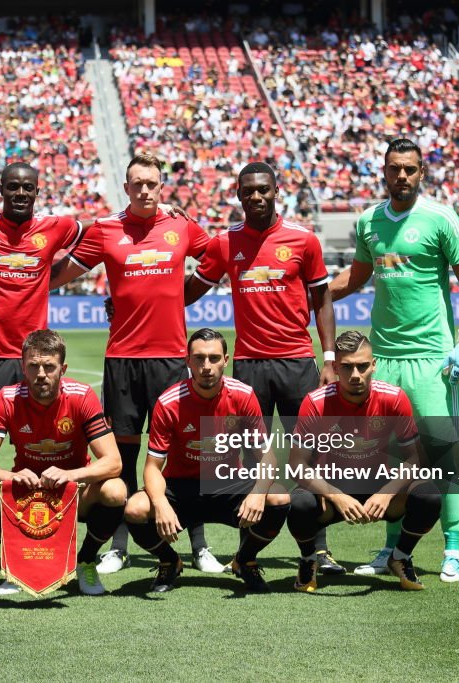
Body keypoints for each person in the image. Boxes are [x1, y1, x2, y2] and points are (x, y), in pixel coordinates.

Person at [50, 153, 223, 575]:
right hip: (123, 360)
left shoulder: (181, 225)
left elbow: (217, 259)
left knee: (184, 457)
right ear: (126, 187)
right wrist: (13, 271)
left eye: (152, 183)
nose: (144, 189)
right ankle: (120, 545)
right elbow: (58, 274)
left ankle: (198, 545)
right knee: (123, 458)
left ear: (162, 187)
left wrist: (186, 294)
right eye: (137, 183)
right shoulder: (107, 229)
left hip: (169, 358)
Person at [330, 138, 459, 582]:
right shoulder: (369, 221)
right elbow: (356, 277)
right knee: (392, 457)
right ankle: (393, 547)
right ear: (384, 170)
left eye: (410, 169)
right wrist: (313, 290)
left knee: (441, 455)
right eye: (395, 168)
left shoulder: (441, 218)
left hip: (432, 359)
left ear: (421, 173)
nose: (402, 176)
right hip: (385, 359)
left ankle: (452, 548)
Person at [183, 161, 342, 576]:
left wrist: (328, 359)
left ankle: (317, 548)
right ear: (238, 195)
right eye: (248, 190)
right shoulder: (225, 243)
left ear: (277, 191)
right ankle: (246, 550)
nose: (255, 196)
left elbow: (322, 300)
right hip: (249, 366)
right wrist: (136, 297)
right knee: (242, 460)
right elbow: (188, 291)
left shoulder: (303, 241)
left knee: (311, 458)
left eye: (263, 189)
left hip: (297, 363)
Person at [0, 162, 92, 575]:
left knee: (51, 446)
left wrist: (55, 276)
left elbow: (96, 234)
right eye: (13, 187)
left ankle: (51, 533)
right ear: (1, 190)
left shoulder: (56, 226)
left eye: (28, 187)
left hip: (36, 359)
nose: (21, 193)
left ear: (37, 191)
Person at [123, 328, 292, 594]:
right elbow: (153, 467)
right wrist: (160, 503)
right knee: (134, 508)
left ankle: (244, 560)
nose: (206, 366)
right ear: (187, 361)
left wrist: (259, 493)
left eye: (214, 358)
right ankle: (170, 562)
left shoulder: (243, 396)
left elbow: (267, 456)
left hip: (227, 483)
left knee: (279, 498)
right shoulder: (169, 403)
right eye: (199, 358)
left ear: (226, 359)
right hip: (181, 487)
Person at [0, 329, 126, 595]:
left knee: (115, 490)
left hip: (71, 493)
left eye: (49, 367)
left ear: (63, 368)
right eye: (33, 366)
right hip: (25, 495)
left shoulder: (82, 396)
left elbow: (113, 463)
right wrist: (10, 476)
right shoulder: (7, 398)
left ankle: (85, 561)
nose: (41, 374)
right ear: (22, 368)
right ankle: (16, 564)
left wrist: (71, 475)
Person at [287, 331, 442, 591]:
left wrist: (385, 494)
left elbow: (415, 458)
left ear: (374, 365)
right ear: (335, 368)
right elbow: (296, 466)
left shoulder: (394, 398)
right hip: (331, 495)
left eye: (362, 366)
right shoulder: (315, 403)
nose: (355, 375)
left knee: (429, 495)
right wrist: (337, 496)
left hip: (378, 490)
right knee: (298, 501)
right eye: (346, 367)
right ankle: (308, 560)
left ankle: (400, 557)